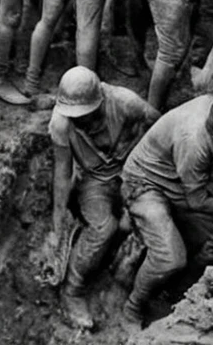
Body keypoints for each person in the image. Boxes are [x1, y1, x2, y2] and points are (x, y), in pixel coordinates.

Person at [121, 68, 213, 328]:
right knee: (170, 258)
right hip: (145, 185)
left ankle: (179, 290)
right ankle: (132, 307)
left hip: (180, 184)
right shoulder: (195, 138)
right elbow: (198, 203)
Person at [46, 67, 159, 330]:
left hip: (134, 171)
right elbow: (62, 172)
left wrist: (148, 169)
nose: (82, 121)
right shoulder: (61, 124)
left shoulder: (125, 102)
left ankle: (120, 274)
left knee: (137, 224)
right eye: (76, 116)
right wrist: (58, 217)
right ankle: (72, 290)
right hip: (95, 178)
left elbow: (160, 127)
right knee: (103, 227)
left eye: (87, 115)